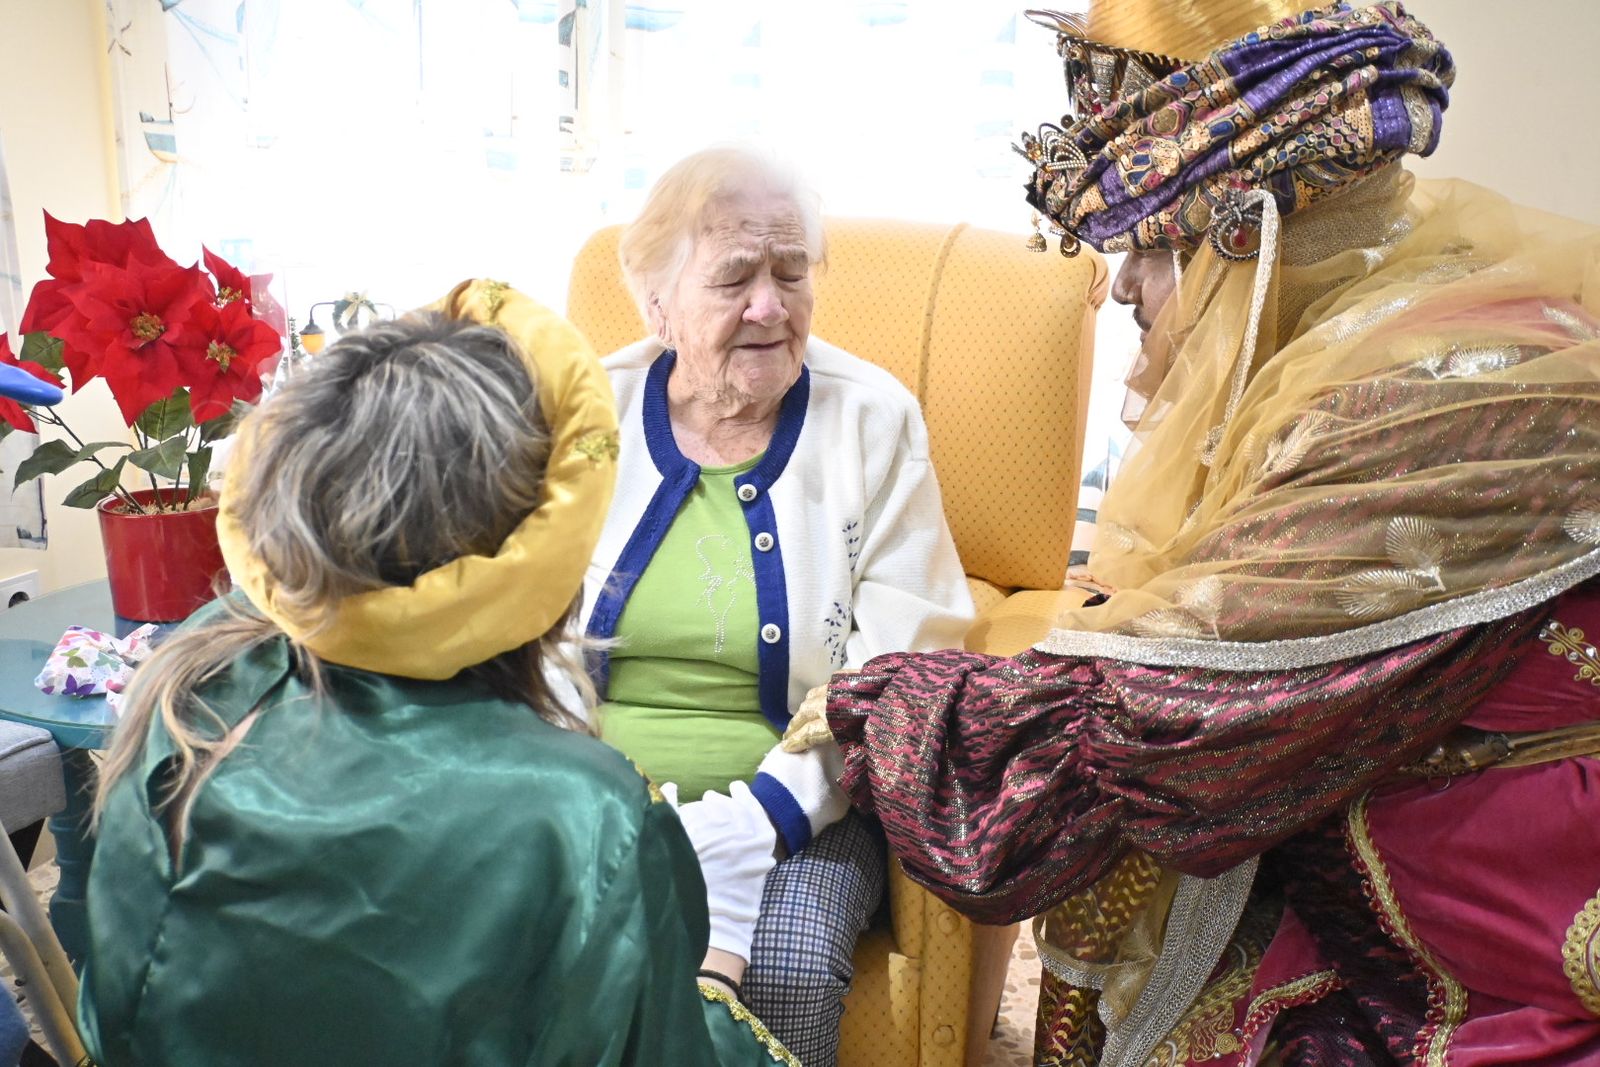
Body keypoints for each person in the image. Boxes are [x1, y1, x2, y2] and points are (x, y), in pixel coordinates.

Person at [784, 2, 1600, 1063]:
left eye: (1146, 247)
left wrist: (885, 702)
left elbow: (1164, 712)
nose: (1118, 283)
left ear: (1247, 236)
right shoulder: (1391, 320)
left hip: (1492, 922)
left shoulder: (1408, 397)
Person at [79, 281, 801, 1066]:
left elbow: (115, 1011)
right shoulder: (585, 815)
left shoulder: (190, 686)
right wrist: (714, 973)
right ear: (536, 559)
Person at [584, 146, 974, 1064]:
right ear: (656, 303)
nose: (770, 304)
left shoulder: (872, 422)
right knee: (513, 932)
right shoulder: (583, 417)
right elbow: (514, 632)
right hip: (592, 799)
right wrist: (597, 806)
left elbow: (898, 671)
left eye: (791, 272)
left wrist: (755, 817)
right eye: (733, 278)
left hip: (808, 816)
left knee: (787, 967)